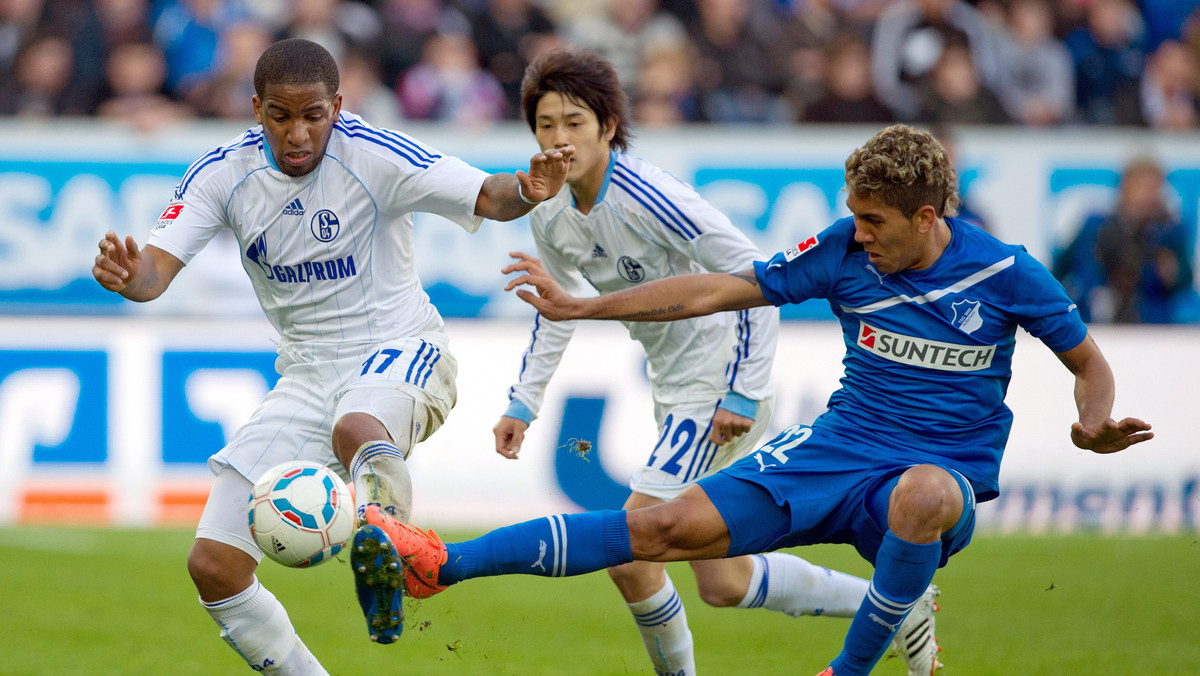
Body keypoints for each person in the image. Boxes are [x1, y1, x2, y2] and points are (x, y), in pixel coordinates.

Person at [352, 123, 1154, 675]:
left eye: (874, 219)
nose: (858, 231)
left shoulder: (1005, 274)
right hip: (836, 451)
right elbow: (721, 289)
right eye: (853, 215)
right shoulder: (844, 251)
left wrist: (1090, 425)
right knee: (659, 529)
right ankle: (440, 566)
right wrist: (584, 307)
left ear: (927, 216)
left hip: (932, 476)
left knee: (927, 493)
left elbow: (1089, 364)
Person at [91, 38, 572, 675]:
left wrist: (530, 190)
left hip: (403, 349)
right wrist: (129, 278)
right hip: (306, 373)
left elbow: (488, 194)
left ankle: (390, 542)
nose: (298, 133)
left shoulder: (374, 154)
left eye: (314, 114)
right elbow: (154, 272)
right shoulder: (221, 173)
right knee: (214, 565)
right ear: (256, 108)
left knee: (356, 425)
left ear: (338, 106)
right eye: (281, 116)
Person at [486, 48, 937, 676]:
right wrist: (523, 402)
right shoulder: (550, 211)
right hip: (675, 390)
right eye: (545, 125)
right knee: (722, 581)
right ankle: (895, 604)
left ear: (608, 128)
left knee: (630, 544)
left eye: (574, 123)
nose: (559, 140)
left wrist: (744, 391)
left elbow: (759, 278)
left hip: (719, 385)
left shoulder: (649, 195)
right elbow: (557, 308)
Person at [1053, 157, 1195, 324]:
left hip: (1150, 323)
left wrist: (1174, 274)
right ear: (1126, 187)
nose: (1150, 196)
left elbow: (1186, 277)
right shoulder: (1095, 227)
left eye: (1155, 188)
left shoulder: (1168, 233)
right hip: (1092, 319)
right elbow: (1060, 268)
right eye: (1144, 187)